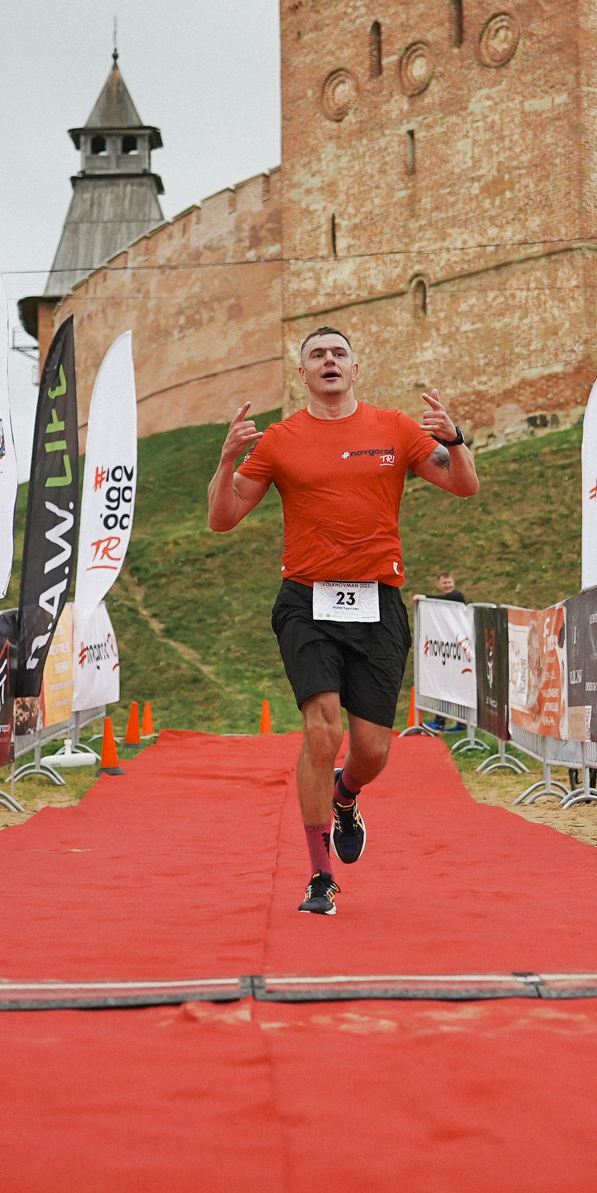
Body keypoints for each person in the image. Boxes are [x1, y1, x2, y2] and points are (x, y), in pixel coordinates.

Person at [208, 326, 479, 916]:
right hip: (306, 601)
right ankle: (319, 876)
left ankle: (346, 795)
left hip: (377, 600)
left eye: (338, 354)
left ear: (356, 368)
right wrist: (227, 460)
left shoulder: (394, 428)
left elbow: (464, 485)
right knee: (321, 730)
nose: (328, 361)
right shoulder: (279, 441)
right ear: (301, 372)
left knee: (372, 750)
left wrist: (455, 439)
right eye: (316, 355)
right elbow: (223, 518)